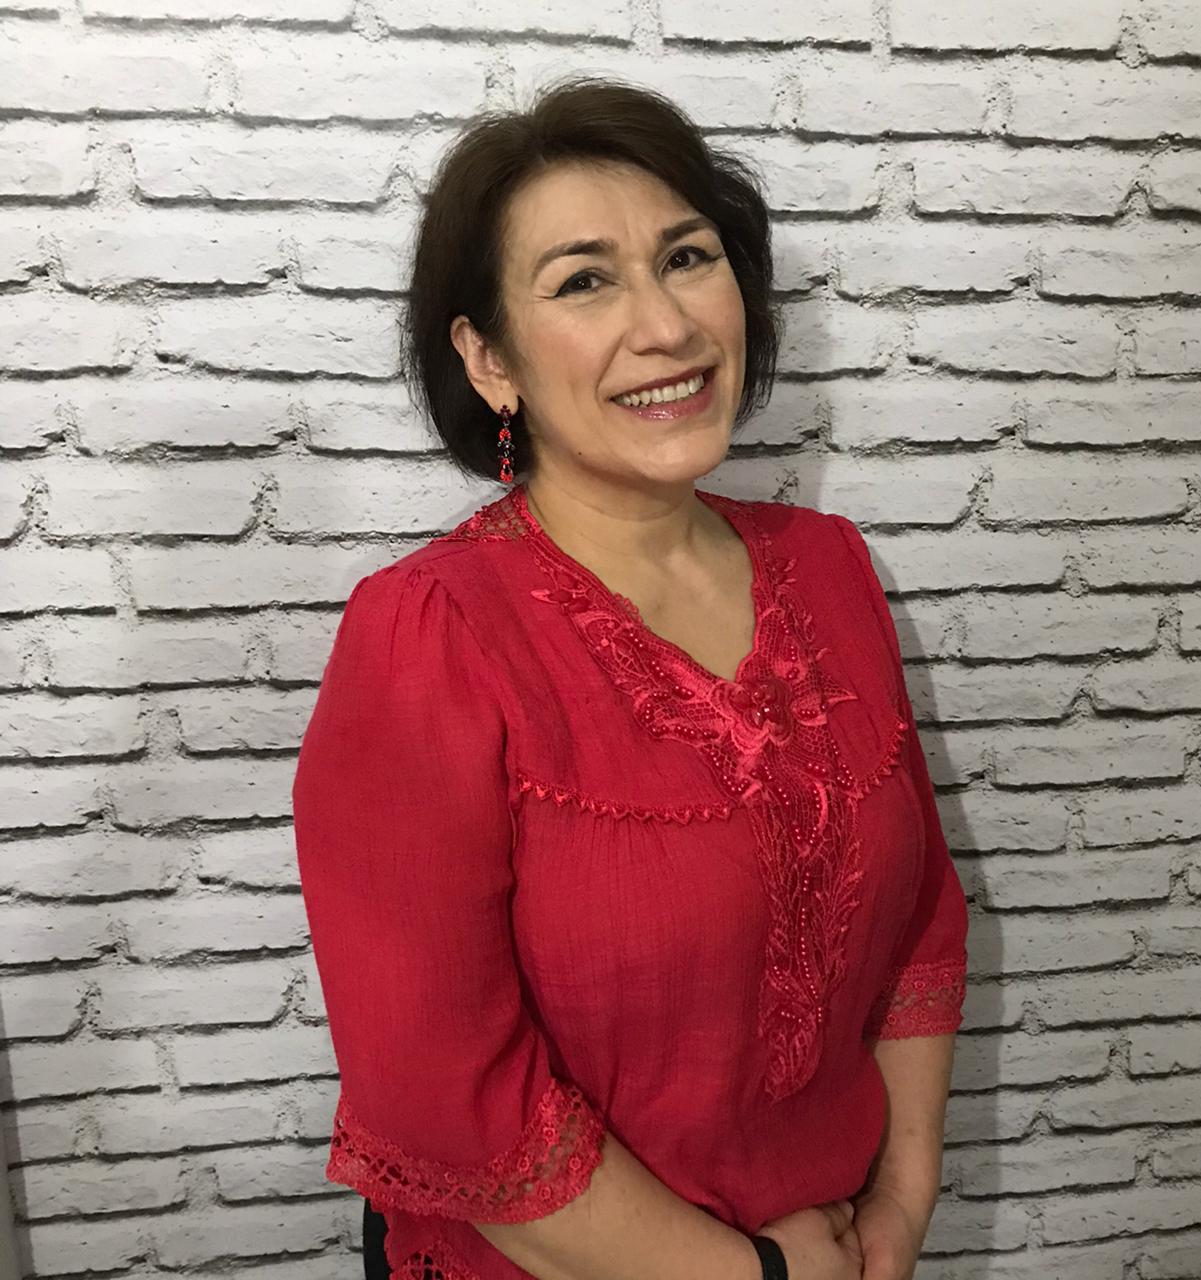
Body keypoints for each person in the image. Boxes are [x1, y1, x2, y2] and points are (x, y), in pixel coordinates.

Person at [291, 74, 969, 1280]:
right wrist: (756, 1274)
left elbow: (918, 915)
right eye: (582, 281)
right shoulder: (429, 636)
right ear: (488, 359)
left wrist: (904, 1198)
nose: (664, 326)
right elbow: (442, 1090)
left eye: (686, 258)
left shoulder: (828, 567)